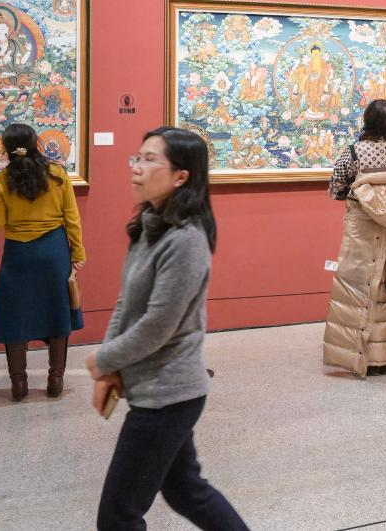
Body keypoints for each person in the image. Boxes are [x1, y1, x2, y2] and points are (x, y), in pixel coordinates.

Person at [85, 126, 248, 530]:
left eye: (149, 160)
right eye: (136, 158)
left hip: (168, 394)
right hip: (156, 389)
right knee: (186, 490)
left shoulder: (186, 240)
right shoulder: (149, 224)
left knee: (118, 517)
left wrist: (103, 359)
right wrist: (110, 365)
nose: (136, 168)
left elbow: (158, 325)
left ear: (181, 176)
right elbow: (127, 302)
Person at [0, 123, 85, 401]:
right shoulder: (58, 175)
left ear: (6, 148)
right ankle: (55, 380)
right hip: (54, 252)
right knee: (57, 313)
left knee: (14, 315)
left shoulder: (2, 180)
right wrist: (78, 253)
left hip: (18, 255)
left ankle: (19, 384)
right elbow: (72, 218)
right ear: (36, 143)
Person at [324, 99, 386, 377]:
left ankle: (363, 360)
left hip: (363, 236)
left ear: (367, 121)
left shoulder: (353, 154)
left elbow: (335, 190)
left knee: (360, 291)